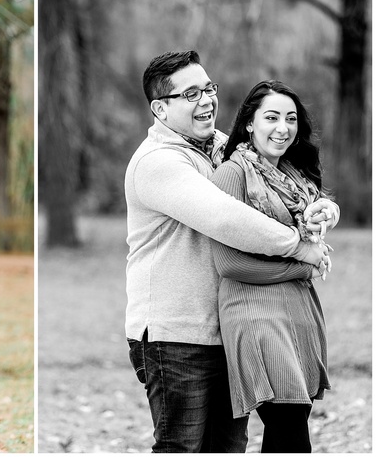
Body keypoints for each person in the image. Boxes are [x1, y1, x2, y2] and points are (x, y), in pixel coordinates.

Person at [124, 51, 337, 452]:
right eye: (190, 94)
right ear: (161, 109)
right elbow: (226, 218)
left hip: (228, 330)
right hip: (175, 334)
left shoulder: (224, 147)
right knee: (182, 448)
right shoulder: (157, 163)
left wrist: (324, 209)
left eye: (208, 88)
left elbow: (289, 183)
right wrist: (300, 248)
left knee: (226, 448)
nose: (206, 101)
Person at [211, 80, 338, 452]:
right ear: (249, 123)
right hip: (255, 315)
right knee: (290, 431)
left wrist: (328, 212)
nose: (283, 128)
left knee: (289, 431)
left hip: (296, 311)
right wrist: (305, 266)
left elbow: (319, 215)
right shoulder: (232, 176)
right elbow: (229, 263)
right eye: (271, 117)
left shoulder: (294, 177)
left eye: (291, 119)